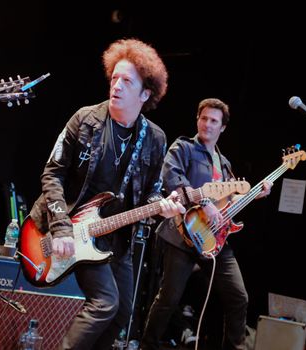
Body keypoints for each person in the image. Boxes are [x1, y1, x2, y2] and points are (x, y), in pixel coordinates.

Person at [29, 38, 186, 350]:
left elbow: (153, 194)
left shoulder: (155, 138)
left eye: (127, 81)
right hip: (68, 228)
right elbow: (52, 172)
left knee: (122, 315)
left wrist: (164, 207)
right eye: (114, 77)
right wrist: (61, 227)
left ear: (145, 94)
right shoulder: (84, 119)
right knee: (104, 303)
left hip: (115, 239)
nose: (116, 85)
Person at [140, 98, 273, 350]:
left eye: (214, 121)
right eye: (204, 118)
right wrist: (204, 202)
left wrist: (255, 193)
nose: (207, 124)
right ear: (197, 119)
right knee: (169, 298)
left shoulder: (224, 164)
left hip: (214, 239)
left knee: (238, 297)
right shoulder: (183, 147)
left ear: (222, 128)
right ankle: (148, 345)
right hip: (181, 235)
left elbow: (231, 199)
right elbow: (172, 179)